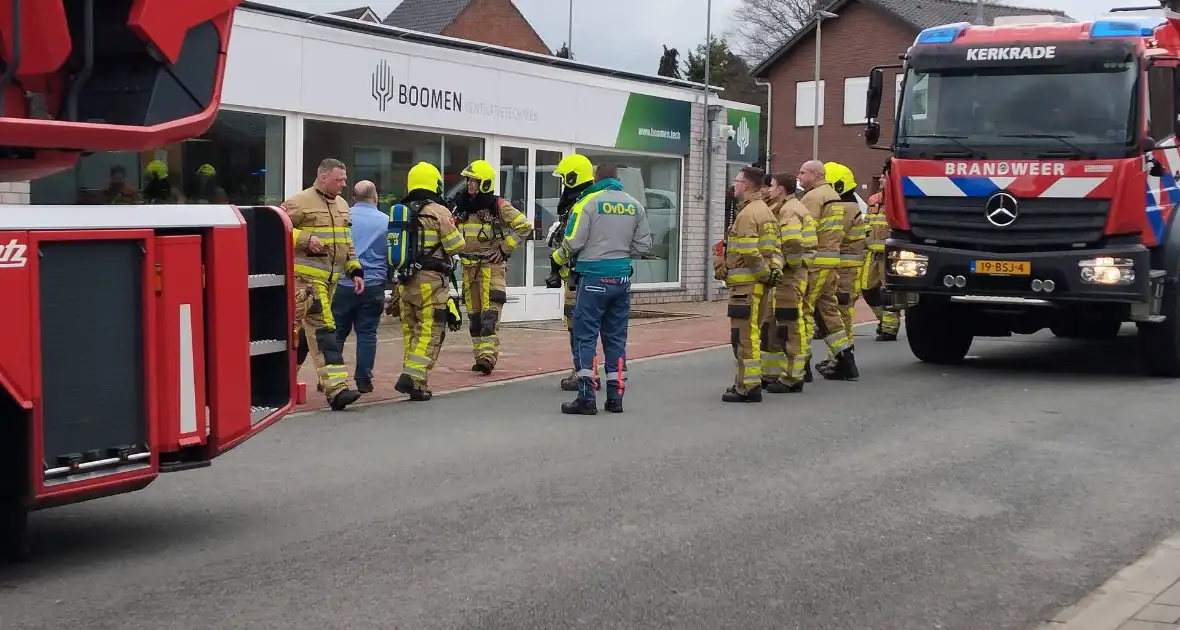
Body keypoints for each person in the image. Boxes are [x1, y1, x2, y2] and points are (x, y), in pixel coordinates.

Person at [553, 162, 653, 414]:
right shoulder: (634, 205)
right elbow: (644, 246)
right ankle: (616, 397)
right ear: (617, 178)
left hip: (593, 280)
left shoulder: (587, 203)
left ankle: (586, 398)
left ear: (596, 177)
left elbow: (572, 241)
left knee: (585, 337)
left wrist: (557, 258)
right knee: (616, 340)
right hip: (620, 281)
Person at [284, 157, 364, 411]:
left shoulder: (341, 204)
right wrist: (305, 239)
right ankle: (337, 389)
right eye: (339, 179)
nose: (343, 184)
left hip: (331, 281)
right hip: (306, 282)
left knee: (302, 338)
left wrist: (354, 270)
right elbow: (276, 227)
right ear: (323, 177)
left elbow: (345, 242)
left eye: (344, 179)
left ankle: (279, 387)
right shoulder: (299, 201)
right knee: (324, 330)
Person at [392, 162, 466, 401]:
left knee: (411, 332)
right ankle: (413, 377)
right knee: (431, 330)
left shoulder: (401, 209)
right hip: (431, 281)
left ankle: (417, 384)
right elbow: (456, 246)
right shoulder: (438, 211)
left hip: (404, 281)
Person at [453, 159, 532, 375]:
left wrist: (504, 248)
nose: (469, 184)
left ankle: (489, 357)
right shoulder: (460, 206)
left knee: (490, 314)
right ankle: (480, 357)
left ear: (485, 183)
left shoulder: (498, 206)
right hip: (469, 268)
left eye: (474, 180)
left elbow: (524, 226)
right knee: (474, 316)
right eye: (468, 179)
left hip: (491, 268)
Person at [713, 166, 783, 403]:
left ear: (746, 184)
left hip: (746, 286)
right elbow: (775, 249)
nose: (734, 185)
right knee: (753, 331)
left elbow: (750, 251)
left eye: (737, 180)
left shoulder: (747, 214)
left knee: (744, 335)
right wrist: (771, 273)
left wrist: (762, 273)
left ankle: (747, 386)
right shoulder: (766, 211)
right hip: (759, 286)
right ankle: (746, 382)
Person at [797, 159, 858, 381]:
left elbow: (805, 230)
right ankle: (846, 362)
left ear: (815, 175)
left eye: (802, 172)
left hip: (815, 264)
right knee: (829, 312)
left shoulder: (813, 197)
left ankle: (801, 366)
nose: (799, 176)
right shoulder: (832, 195)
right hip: (830, 264)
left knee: (802, 310)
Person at [330, 180, 388, 394]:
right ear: (376, 197)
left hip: (343, 283)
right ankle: (364, 379)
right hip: (373, 284)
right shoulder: (386, 222)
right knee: (367, 333)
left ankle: (332, 380)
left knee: (336, 332)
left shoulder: (343, 218)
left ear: (353, 198)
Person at [762, 172, 816, 394]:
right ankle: (772, 374)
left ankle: (793, 378)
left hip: (790, 277)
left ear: (781, 189)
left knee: (789, 325)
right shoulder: (787, 206)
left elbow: (792, 242)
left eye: (772, 186)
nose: (769, 189)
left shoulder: (790, 209)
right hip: (787, 276)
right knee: (774, 323)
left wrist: (789, 265)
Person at [550, 154, 599, 393]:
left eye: (564, 179)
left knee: (579, 325)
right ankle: (588, 370)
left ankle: (584, 372)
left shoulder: (582, 204)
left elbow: (575, 241)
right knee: (580, 325)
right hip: (583, 274)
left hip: (580, 275)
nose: (562, 185)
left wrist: (556, 257)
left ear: (573, 177)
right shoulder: (587, 201)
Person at [816, 161, 866, 380]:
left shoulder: (845, 209)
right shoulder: (851, 207)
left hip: (844, 272)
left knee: (841, 315)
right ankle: (836, 358)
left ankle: (842, 360)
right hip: (845, 271)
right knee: (839, 314)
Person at [862, 180, 900, 341]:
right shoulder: (873, 199)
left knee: (888, 292)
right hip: (872, 253)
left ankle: (889, 329)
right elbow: (866, 225)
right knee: (867, 289)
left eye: (883, 177)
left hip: (889, 254)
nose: (880, 180)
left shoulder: (898, 200)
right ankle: (883, 320)